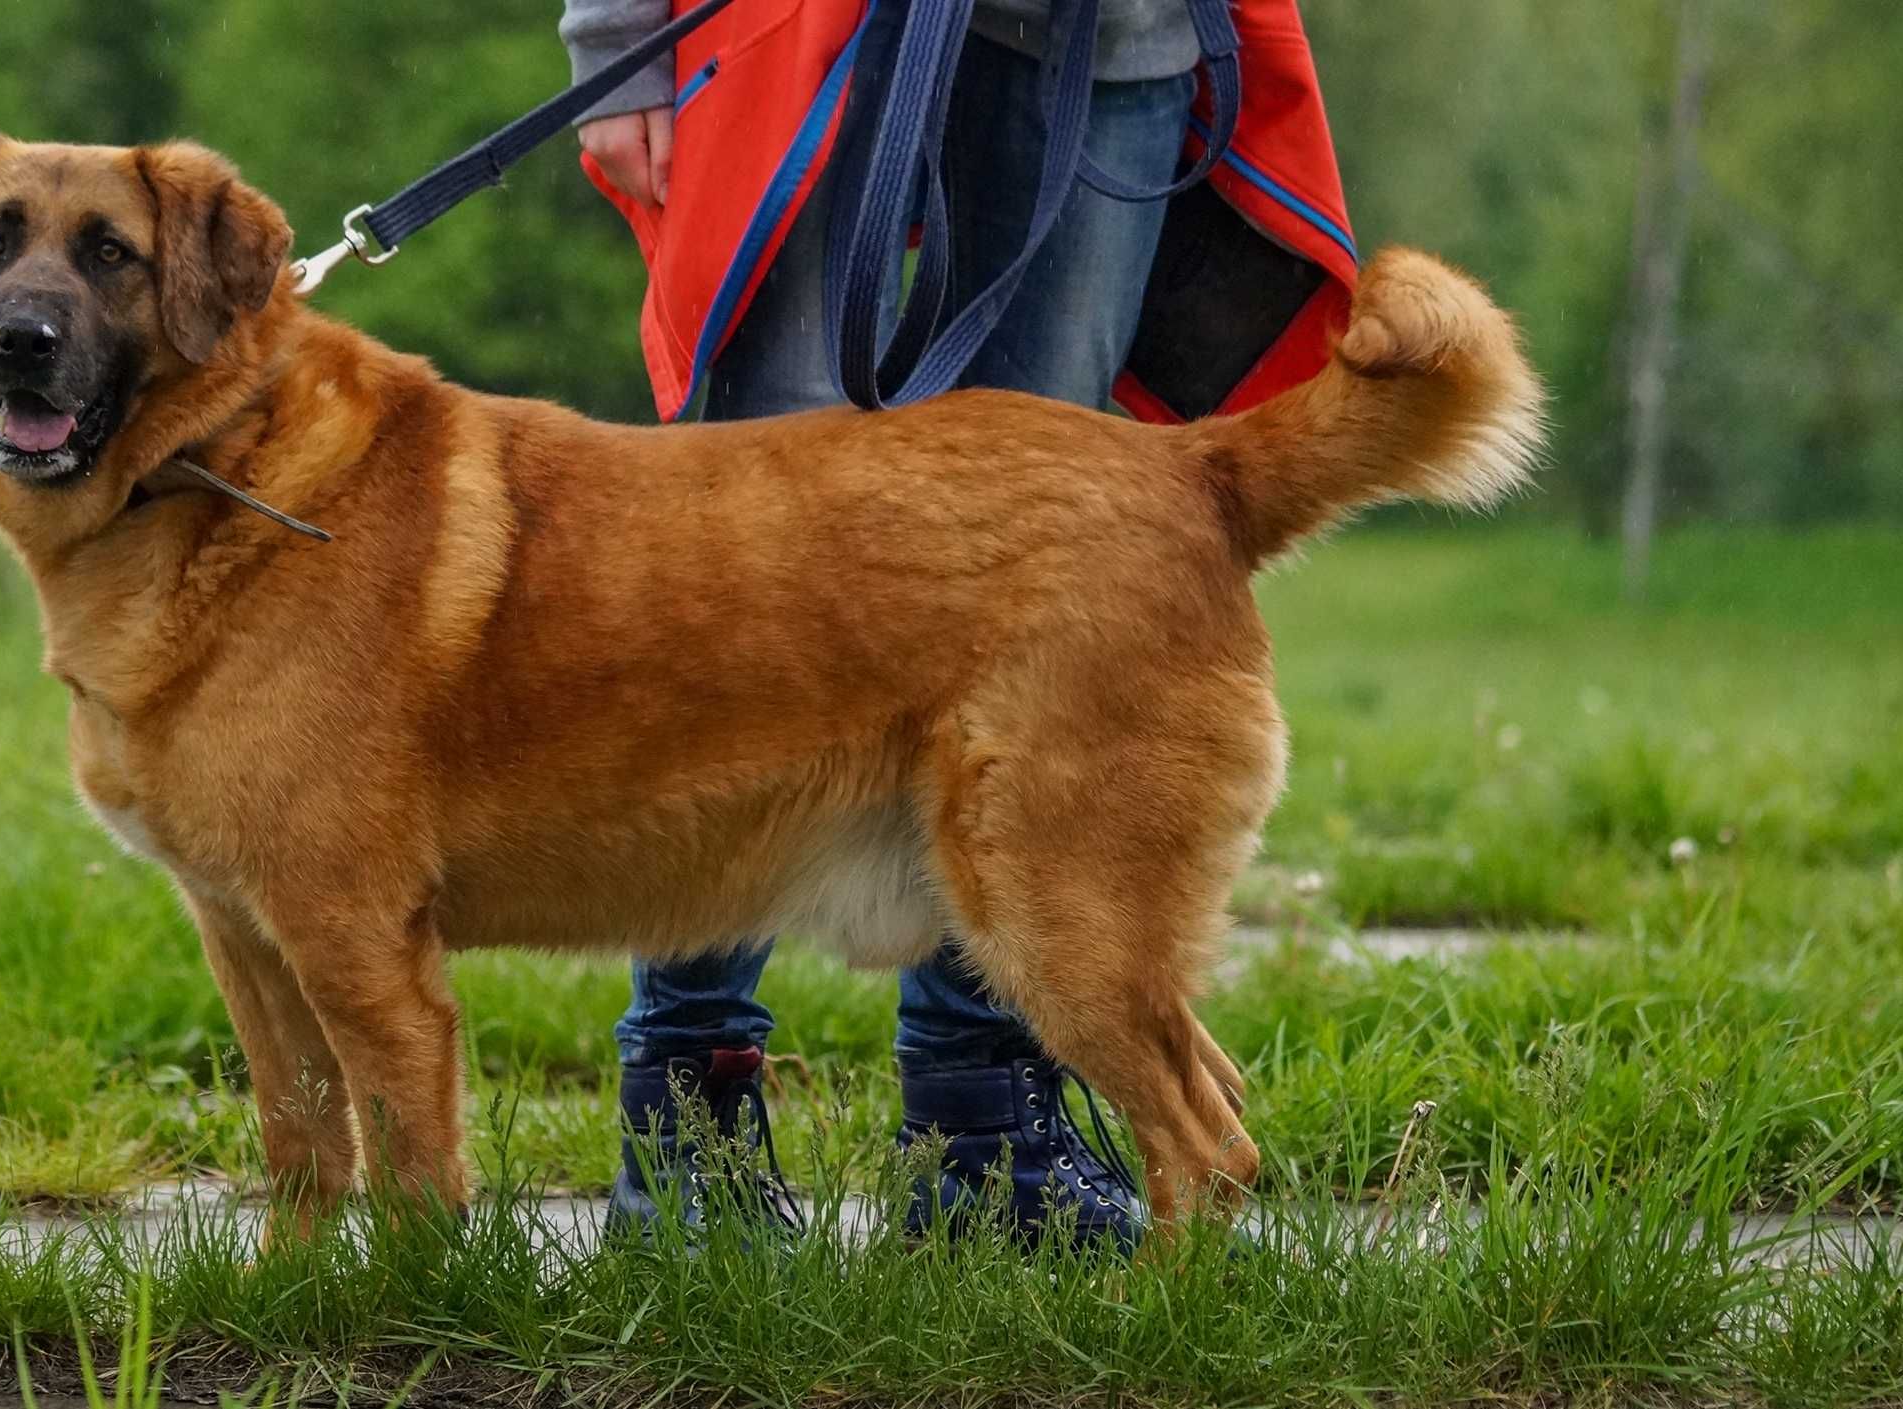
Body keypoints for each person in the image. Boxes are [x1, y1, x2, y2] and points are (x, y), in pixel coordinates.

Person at [559, 0, 1355, 1247]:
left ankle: (984, 1144)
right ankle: (688, 1130)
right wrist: (615, 42)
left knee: (1037, 570)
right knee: (746, 566)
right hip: (801, 33)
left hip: (1113, 40)